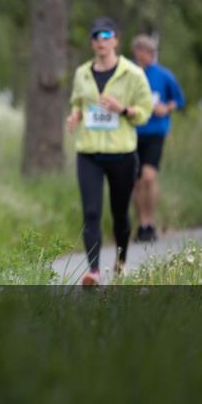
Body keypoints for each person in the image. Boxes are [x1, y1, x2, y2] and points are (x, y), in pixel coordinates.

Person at [66, 17, 152, 286]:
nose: (101, 41)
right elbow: (78, 103)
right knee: (91, 212)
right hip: (89, 153)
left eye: (106, 36)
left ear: (116, 40)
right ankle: (93, 270)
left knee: (120, 213)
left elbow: (145, 113)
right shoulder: (82, 73)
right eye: (96, 37)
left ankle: (121, 261)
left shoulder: (133, 74)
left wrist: (122, 109)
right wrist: (75, 116)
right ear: (92, 43)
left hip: (122, 153)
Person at [130, 34, 186, 242]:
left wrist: (166, 107)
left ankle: (150, 222)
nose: (147, 55)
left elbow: (179, 100)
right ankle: (141, 224)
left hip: (155, 132)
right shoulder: (130, 74)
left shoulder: (164, 75)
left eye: (150, 51)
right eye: (143, 51)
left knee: (149, 177)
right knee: (135, 182)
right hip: (133, 132)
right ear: (136, 52)